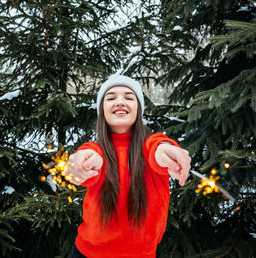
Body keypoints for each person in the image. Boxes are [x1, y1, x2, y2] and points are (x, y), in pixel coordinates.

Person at [67, 75, 191, 258]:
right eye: (110, 98)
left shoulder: (152, 147)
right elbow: (86, 161)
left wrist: (168, 151)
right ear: (102, 110)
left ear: (138, 109)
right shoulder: (95, 151)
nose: (119, 102)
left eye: (128, 97)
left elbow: (157, 148)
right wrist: (79, 165)